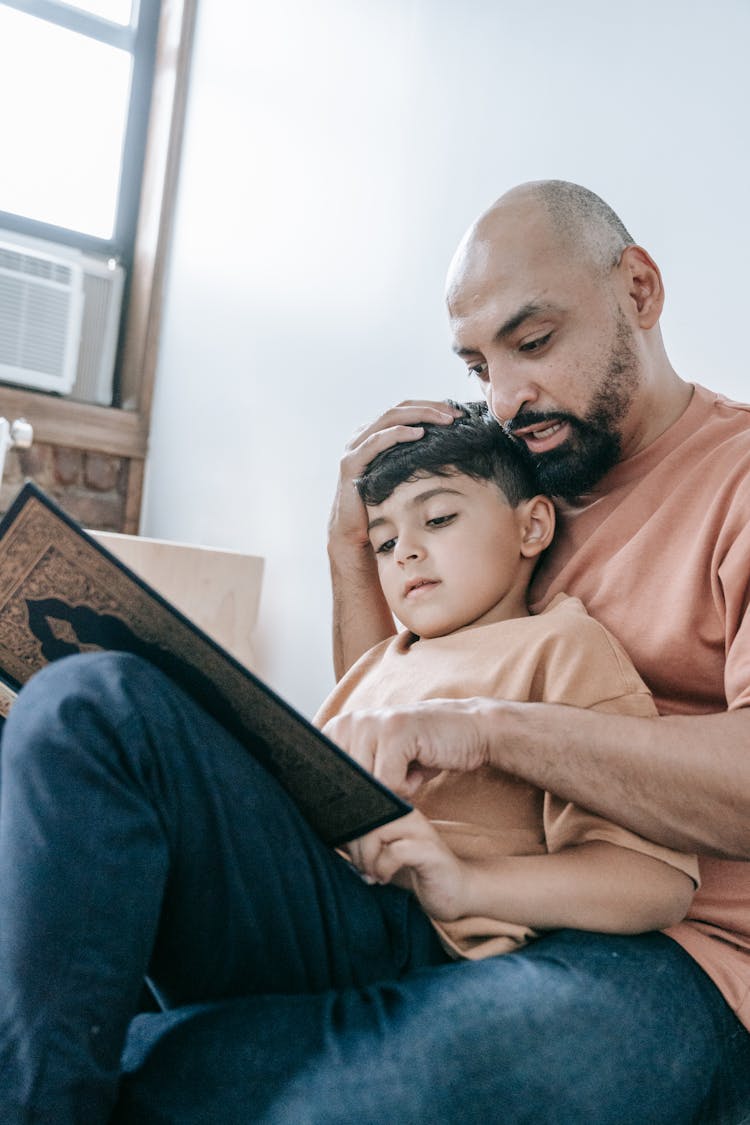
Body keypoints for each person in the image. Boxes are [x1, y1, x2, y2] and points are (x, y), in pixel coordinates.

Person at [1, 179, 749, 1125]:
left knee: (352, 1094)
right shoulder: (502, 479)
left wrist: (484, 731)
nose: (508, 396)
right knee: (83, 705)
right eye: (479, 365)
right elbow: (392, 704)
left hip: (676, 953)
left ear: (638, 291)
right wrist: (352, 547)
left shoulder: (737, 481)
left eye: (534, 341)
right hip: (405, 897)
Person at [314, 399, 696, 955]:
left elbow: (654, 883)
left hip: (408, 927)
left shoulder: (560, 645)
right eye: (384, 542)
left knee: (139, 709)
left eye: (439, 519)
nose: (406, 554)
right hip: (326, 887)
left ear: (533, 526)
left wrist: (464, 883)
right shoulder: (380, 661)